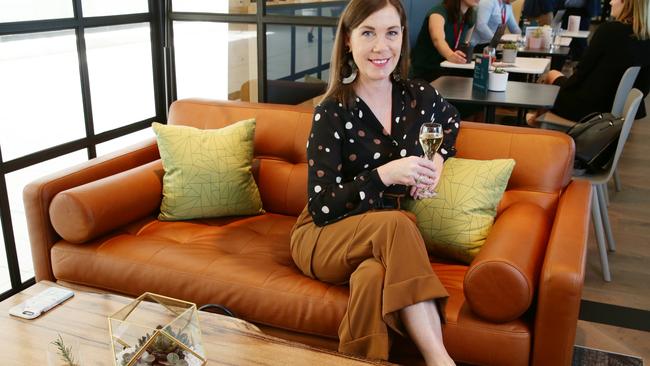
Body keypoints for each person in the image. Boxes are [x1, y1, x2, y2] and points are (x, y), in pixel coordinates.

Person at [290, 0, 460, 365]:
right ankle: (440, 359)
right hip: (324, 235)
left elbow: (451, 122)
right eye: (368, 33)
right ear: (349, 41)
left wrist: (439, 159)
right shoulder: (332, 111)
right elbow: (322, 208)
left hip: (382, 238)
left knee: (372, 277)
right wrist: (386, 174)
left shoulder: (418, 97)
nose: (382, 47)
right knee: (399, 224)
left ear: (402, 38)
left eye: (391, 33)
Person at [538, 0, 650, 122]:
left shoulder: (609, 30)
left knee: (551, 74)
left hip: (587, 110)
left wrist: (564, 86)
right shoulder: (646, 38)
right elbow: (643, 86)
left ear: (627, 3)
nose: (611, 2)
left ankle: (537, 124)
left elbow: (581, 74)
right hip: (617, 112)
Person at [410, 0, 479, 82]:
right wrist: (450, 55)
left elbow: (466, 43)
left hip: (450, 68)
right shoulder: (438, 12)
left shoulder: (471, 15)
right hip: (428, 70)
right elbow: (438, 40)